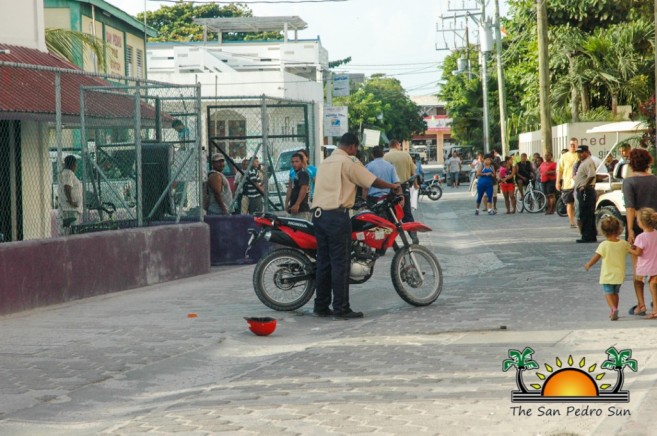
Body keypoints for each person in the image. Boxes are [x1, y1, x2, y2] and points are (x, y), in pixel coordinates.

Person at [311, 133, 401, 319]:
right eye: (356, 148)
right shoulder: (348, 161)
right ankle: (341, 308)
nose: (357, 151)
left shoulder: (325, 162)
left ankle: (321, 306)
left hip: (319, 216)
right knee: (340, 263)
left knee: (324, 263)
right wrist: (392, 186)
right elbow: (370, 180)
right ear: (352, 147)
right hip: (336, 217)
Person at [622, 148, 657, 315]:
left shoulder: (629, 182)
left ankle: (641, 304)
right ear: (648, 162)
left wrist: (630, 230)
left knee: (639, 269)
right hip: (655, 228)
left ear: (631, 163)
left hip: (638, 229)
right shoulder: (655, 180)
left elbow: (630, 208)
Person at [584, 216, 631, 321]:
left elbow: (596, 257)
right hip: (619, 274)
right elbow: (634, 251)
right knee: (615, 293)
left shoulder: (604, 245)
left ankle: (613, 308)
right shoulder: (623, 243)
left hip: (607, 274)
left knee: (608, 293)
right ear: (619, 229)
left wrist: (588, 265)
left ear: (603, 231)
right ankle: (615, 309)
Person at [384, 139, 419, 244]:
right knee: (407, 213)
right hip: (404, 187)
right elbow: (413, 172)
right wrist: (416, 185)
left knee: (391, 214)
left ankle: (389, 241)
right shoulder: (406, 155)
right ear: (397, 145)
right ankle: (413, 236)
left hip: (390, 188)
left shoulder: (385, 157)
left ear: (390, 146)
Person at [628, 208, 657, 319]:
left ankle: (641, 305)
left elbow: (638, 252)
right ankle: (655, 310)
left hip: (644, 267)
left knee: (638, 283)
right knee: (653, 287)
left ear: (641, 223)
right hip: (655, 266)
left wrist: (629, 249)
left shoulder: (640, 237)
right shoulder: (656, 234)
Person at [572, 145, 597, 243]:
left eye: (581, 153)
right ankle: (590, 235)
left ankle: (587, 236)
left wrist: (584, 186)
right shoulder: (583, 162)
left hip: (586, 191)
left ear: (587, 152)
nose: (579, 155)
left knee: (585, 214)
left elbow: (591, 175)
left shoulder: (588, 162)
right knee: (586, 213)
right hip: (583, 190)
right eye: (578, 153)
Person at [556, 138, 580, 228]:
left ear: (577, 145)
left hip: (578, 183)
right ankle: (572, 222)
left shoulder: (580, 155)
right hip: (567, 183)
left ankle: (579, 220)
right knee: (569, 203)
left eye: (574, 144)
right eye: (571, 145)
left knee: (578, 203)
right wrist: (557, 182)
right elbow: (560, 170)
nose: (573, 146)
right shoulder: (564, 156)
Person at [58, 155, 82, 234]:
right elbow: (67, 187)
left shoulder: (68, 173)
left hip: (72, 209)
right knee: (71, 233)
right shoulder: (68, 173)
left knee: (73, 232)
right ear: (73, 164)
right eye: (76, 164)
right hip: (70, 209)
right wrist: (71, 201)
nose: (76, 166)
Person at [285, 153, 311, 221]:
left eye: (297, 161)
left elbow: (304, 188)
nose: (294, 164)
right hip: (294, 209)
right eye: (292, 162)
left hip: (302, 209)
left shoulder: (303, 173)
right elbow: (290, 188)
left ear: (302, 162)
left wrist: (297, 204)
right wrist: (286, 203)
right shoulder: (296, 174)